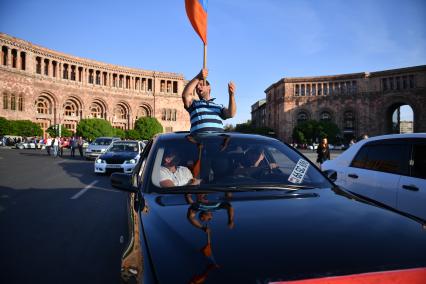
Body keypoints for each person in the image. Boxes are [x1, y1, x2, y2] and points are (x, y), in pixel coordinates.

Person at [182, 68, 236, 133]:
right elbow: (185, 95)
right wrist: (198, 77)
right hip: (199, 141)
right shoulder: (193, 104)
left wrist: (231, 95)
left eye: (201, 84)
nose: (198, 87)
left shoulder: (219, 106)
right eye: (196, 86)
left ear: (209, 87)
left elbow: (231, 114)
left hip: (217, 141)